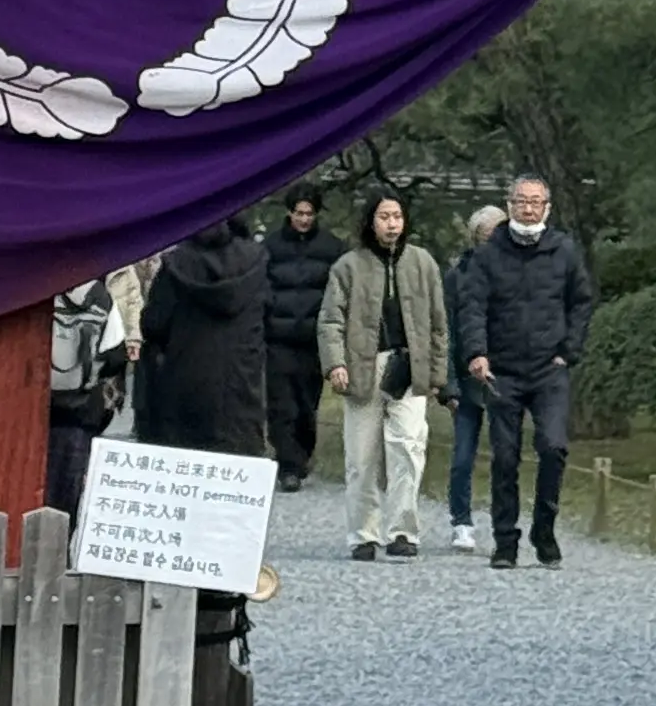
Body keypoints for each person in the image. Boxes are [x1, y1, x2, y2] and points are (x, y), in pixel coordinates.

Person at [454, 173, 593, 568]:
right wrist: (477, 353)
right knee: (504, 457)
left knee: (553, 446)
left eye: (535, 202)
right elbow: (472, 307)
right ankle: (505, 542)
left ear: (546, 207)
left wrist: (569, 351)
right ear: (509, 205)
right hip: (503, 370)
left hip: (549, 368)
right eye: (521, 201)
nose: (528, 209)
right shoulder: (488, 254)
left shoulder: (564, 250)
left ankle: (544, 531)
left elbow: (581, 302)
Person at [321, 190, 446, 559]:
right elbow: (330, 320)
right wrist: (335, 363)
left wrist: (436, 375)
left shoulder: (423, 263)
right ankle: (363, 534)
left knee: (408, 449)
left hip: (410, 367)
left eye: (397, 216)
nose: (392, 224)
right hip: (363, 367)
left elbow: (439, 324)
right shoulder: (347, 266)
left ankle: (403, 532)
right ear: (370, 221)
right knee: (361, 457)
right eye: (384, 217)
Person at [134, 216, 271, 454]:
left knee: (187, 459)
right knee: (237, 459)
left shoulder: (177, 264)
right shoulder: (256, 260)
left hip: (186, 381)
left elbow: (154, 323)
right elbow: (269, 314)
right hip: (241, 383)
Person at [263, 188, 338, 488]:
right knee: (282, 405)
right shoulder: (270, 247)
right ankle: (288, 465)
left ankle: (302, 455)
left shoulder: (331, 247)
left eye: (309, 214)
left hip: (313, 339)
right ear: (289, 213)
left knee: (307, 405)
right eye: (299, 213)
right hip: (278, 338)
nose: (304, 219)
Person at [441, 205, 503, 548]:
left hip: (504, 378)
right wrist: (448, 385)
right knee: (463, 455)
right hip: (466, 380)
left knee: (505, 456)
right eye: (487, 236)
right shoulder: (457, 277)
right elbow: (447, 332)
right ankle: (461, 520)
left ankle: (503, 521)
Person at [45, 275, 126, 520]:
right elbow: (115, 358)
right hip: (80, 415)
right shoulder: (100, 296)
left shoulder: (29, 288)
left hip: (28, 411)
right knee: (64, 500)